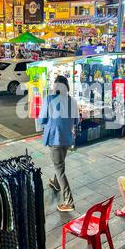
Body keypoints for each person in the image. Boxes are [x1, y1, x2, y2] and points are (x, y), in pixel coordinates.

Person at [38, 75, 79, 212]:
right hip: (67, 138)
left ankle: (69, 201)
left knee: (59, 169)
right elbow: (76, 121)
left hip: (55, 138)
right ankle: (56, 184)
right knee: (60, 163)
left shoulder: (49, 99)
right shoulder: (72, 101)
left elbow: (42, 119)